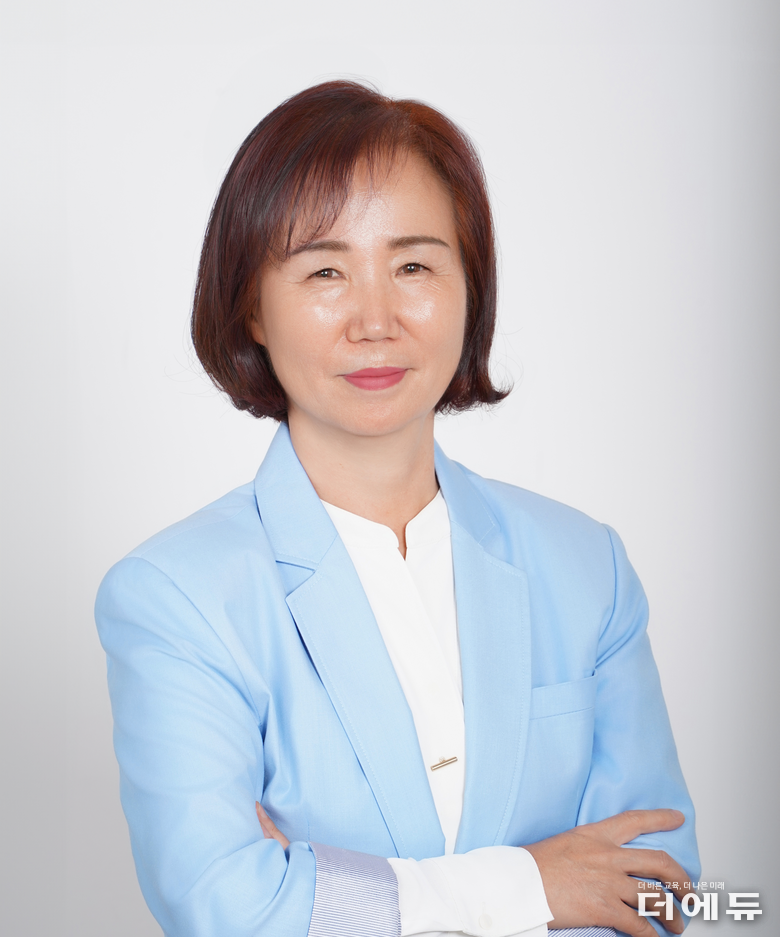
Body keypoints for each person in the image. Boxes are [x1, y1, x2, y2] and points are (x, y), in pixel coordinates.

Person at [96, 80, 700, 937]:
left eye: (413, 266)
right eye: (325, 271)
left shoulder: (584, 566)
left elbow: (664, 888)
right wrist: (533, 882)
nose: (375, 320)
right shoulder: (179, 597)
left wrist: (329, 891)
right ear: (252, 306)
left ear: (469, 287)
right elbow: (229, 910)